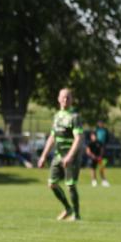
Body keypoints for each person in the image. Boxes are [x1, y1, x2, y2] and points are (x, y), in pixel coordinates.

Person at [37, 88, 84, 221]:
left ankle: (76, 215)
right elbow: (52, 137)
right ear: (58, 99)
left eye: (68, 97)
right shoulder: (57, 116)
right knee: (52, 183)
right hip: (58, 155)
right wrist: (43, 156)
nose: (65, 100)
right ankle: (68, 208)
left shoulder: (74, 117)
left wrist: (70, 156)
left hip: (71, 156)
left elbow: (78, 138)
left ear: (72, 100)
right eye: (63, 97)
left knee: (70, 184)